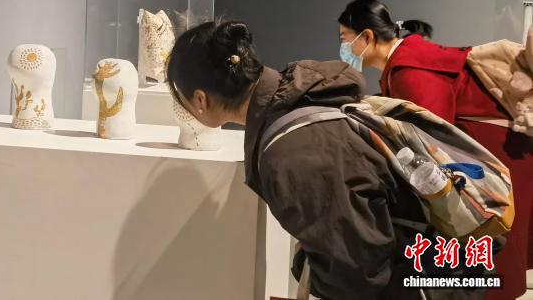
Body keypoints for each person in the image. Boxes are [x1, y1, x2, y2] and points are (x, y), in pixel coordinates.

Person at [167, 20, 481, 300]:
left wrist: (305, 264)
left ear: (200, 99)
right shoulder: (300, 94)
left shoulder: (290, 154)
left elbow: (356, 273)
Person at [338, 0, 533, 300]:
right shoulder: (405, 64)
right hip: (497, 151)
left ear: (367, 36)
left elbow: (431, 136)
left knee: (491, 241)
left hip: (490, 157)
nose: (343, 47)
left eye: (344, 38)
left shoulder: (409, 70)